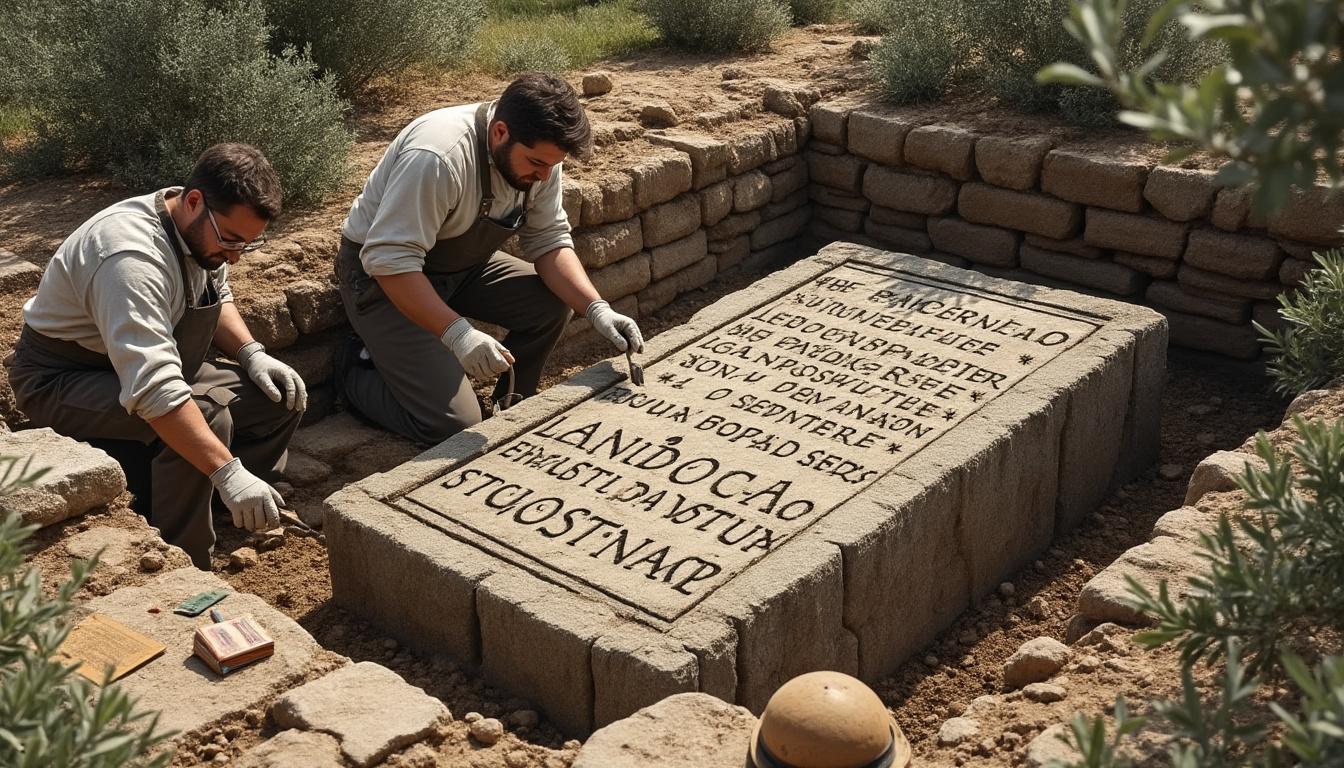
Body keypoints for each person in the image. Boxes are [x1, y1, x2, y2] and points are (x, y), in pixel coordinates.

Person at [5, 143, 306, 569]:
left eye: (248, 244)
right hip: (63, 379)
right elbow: (154, 390)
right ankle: (184, 552)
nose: (236, 256)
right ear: (195, 200)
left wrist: (251, 353)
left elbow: (216, 293)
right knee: (208, 415)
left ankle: (237, 505)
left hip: (148, 362)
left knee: (278, 395)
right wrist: (226, 471)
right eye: (232, 241)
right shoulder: (129, 258)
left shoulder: (202, 230)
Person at [334, 72, 643, 445]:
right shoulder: (437, 156)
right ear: (499, 133)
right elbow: (390, 260)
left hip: (460, 267)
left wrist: (597, 309)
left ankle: (512, 403)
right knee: (455, 426)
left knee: (551, 303)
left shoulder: (542, 154)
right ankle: (357, 373)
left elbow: (548, 240)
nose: (544, 175)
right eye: (535, 164)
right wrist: (459, 334)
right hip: (383, 280)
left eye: (551, 166)